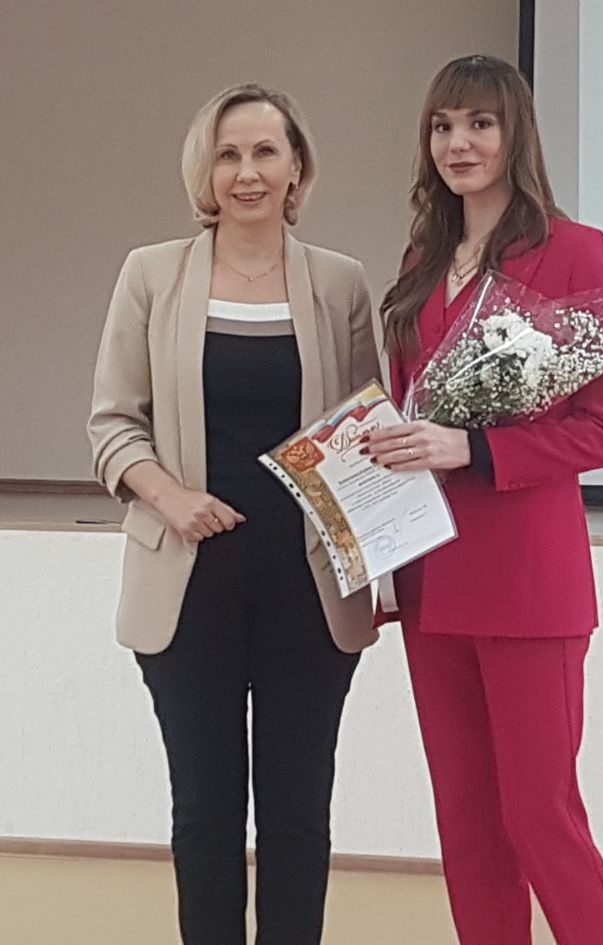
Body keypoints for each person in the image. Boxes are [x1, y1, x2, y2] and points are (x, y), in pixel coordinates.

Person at [86, 84, 379, 945]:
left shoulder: (340, 282)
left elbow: (365, 434)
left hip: (309, 590)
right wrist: (170, 496)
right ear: (205, 172)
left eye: (264, 152)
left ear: (297, 168)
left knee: (298, 815)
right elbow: (112, 423)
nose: (246, 172)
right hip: (188, 588)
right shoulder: (151, 273)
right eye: (228, 154)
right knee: (205, 813)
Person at [367, 54, 603, 945]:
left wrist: (475, 448)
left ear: (515, 133)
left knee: (539, 814)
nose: (459, 143)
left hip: (526, 579)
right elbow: (410, 411)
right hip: (431, 577)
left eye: (479, 123)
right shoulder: (420, 261)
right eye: (442, 126)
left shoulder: (573, 250)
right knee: (467, 822)